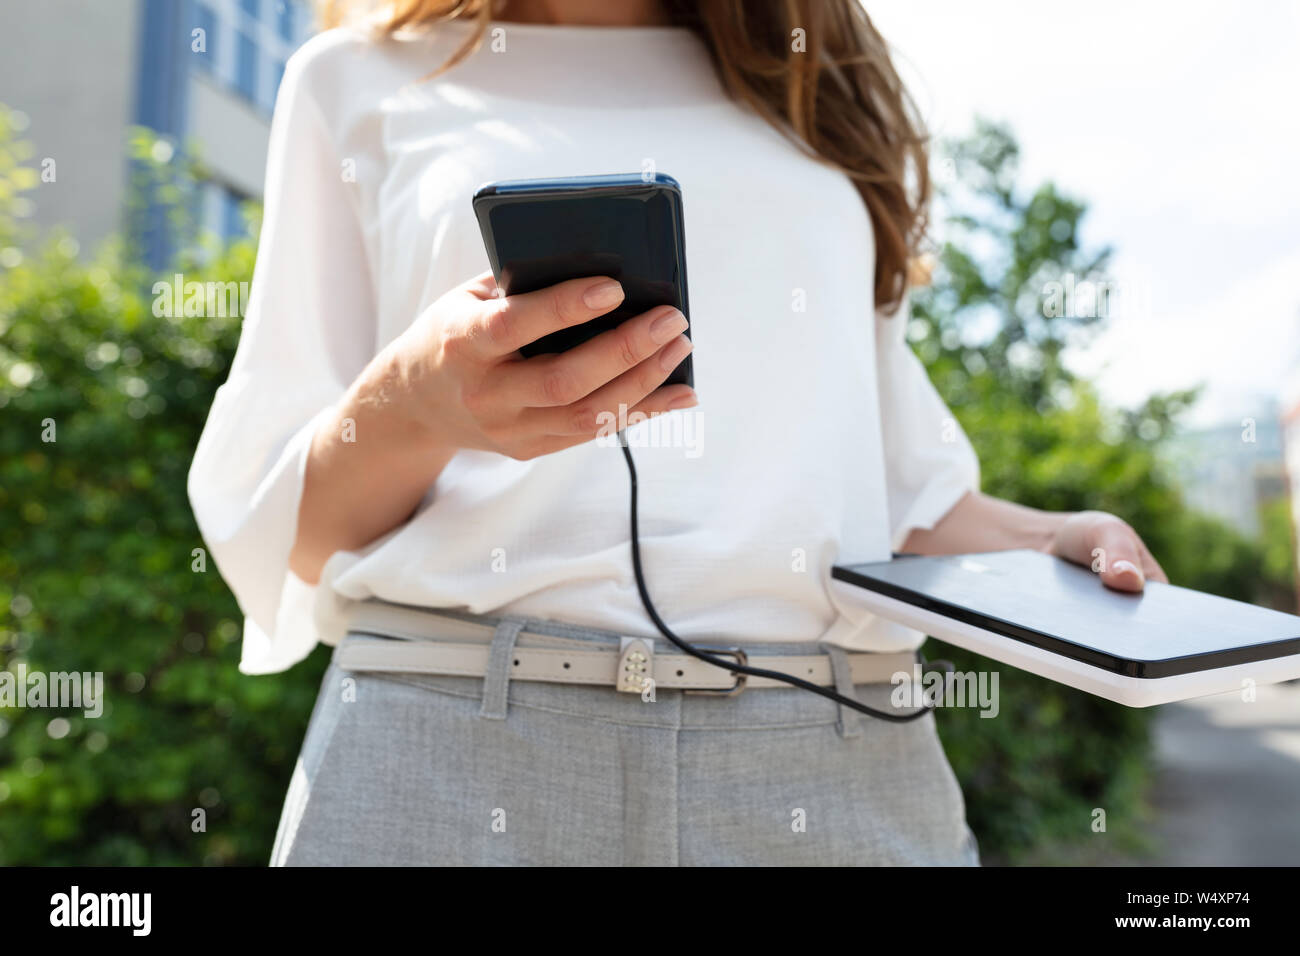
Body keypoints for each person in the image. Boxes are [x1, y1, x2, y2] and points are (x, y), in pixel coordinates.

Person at [188, 0, 1166, 866]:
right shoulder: (354, 81)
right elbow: (301, 543)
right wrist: (413, 406)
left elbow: (890, 491)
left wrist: (1048, 538)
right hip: (446, 745)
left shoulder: (816, 89)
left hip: (829, 752)